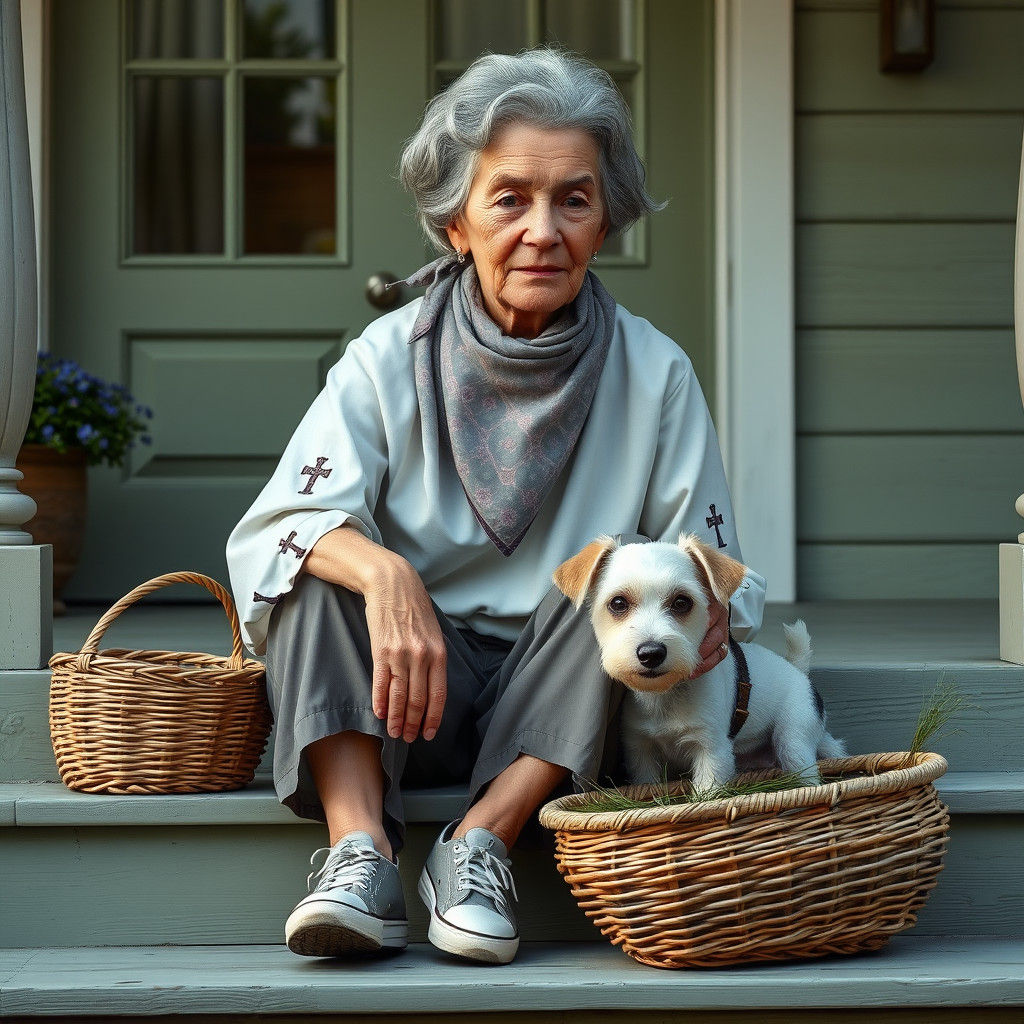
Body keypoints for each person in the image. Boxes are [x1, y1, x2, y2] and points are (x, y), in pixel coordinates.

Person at [225, 47, 765, 966]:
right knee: (319, 567)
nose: (543, 232)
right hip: (406, 693)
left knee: (609, 592)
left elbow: (722, 586)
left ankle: (479, 846)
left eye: (574, 200)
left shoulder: (655, 371)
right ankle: (360, 855)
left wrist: (708, 618)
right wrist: (385, 575)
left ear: (605, 220)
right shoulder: (386, 355)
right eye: (510, 198)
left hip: (566, 712)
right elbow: (277, 529)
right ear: (455, 223)